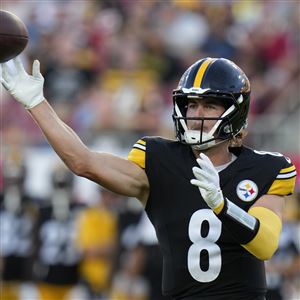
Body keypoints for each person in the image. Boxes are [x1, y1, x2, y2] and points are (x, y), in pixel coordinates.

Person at [1, 57, 297, 300]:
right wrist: (37, 103)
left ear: (235, 112)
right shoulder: (159, 159)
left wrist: (222, 205)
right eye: (191, 105)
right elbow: (84, 162)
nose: (196, 114)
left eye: (209, 105)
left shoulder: (266, 168)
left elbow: (266, 244)